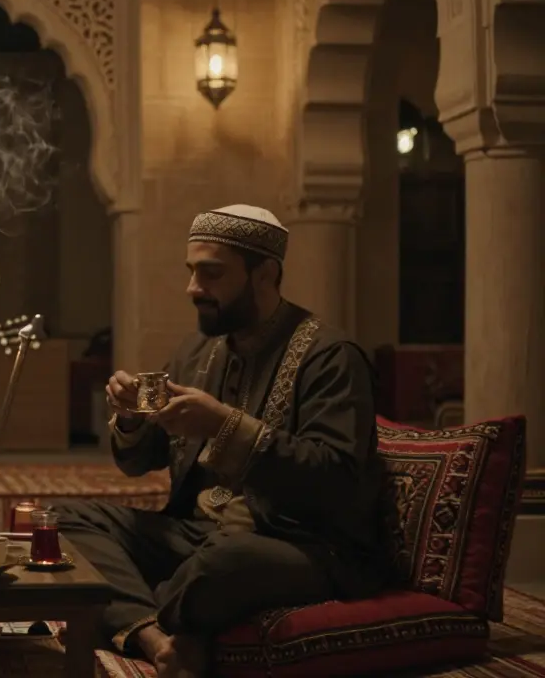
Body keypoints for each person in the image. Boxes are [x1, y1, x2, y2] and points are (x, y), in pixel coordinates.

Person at [54, 205, 386, 678]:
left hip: (294, 543)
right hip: (195, 535)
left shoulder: (330, 356)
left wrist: (225, 425)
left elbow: (335, 478)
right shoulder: (197, 351)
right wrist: (130, 419)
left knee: (227, 563)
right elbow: (141, 462)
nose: (193, 288)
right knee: (62, 519)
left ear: (265, 274)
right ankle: (155, 636)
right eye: (191, 271)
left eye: (211, 273)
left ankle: (127, 605)